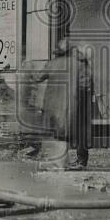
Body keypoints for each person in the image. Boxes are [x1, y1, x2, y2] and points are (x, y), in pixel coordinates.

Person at [37, 37, 95, 169]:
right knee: (79, 133)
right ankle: (79, 161)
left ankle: (60, 162)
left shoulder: (52, 63)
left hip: (55, 107)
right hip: (76, 105)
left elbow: (38, 77)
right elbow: (86, 85)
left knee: (59, 134)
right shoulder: (79, 64)